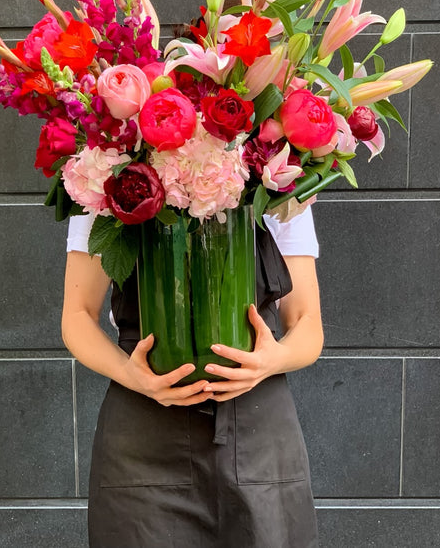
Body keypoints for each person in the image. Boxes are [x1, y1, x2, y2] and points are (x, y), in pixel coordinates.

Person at [61, 204, 323, 547]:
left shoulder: (277, 186)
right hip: (145, 437)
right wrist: (130, 374)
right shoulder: (113, 186)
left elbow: (308, 325)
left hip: (258, 436)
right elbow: (77, 316)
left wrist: (273, 359)